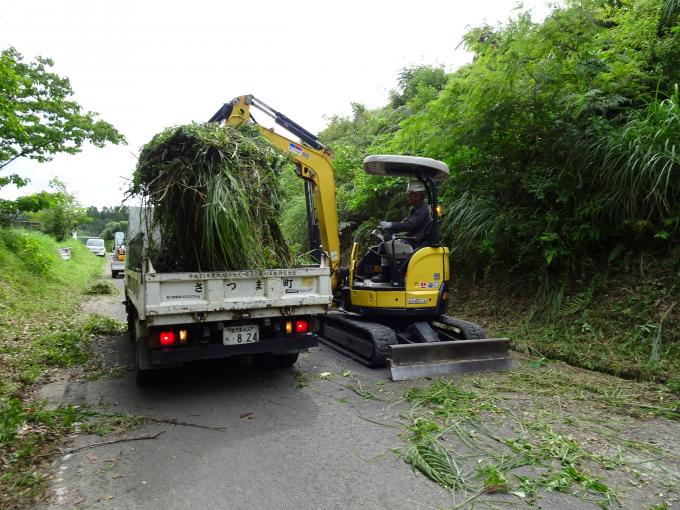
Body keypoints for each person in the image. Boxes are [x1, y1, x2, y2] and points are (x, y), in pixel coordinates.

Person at [372, 180, 432, 282]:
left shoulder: (421, 211)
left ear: (417, 195)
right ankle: (388, 274)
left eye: (410, 194)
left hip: (414, 242)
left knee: (384, 246)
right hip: (412, 240)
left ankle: (386, 276)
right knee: (385, 244)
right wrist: (390, 226)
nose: (408, 197)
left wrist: (390, 224)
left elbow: (409, 225)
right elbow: (404, 223)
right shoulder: (416, 209)